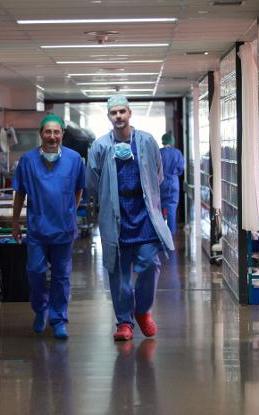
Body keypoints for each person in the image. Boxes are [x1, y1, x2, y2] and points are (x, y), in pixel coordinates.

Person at [86, 95, 174, 341]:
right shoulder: (101, 146)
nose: (118, 116)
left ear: (129, 113)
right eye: (113, 113)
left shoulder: (146, 141)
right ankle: (124, 322)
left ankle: (142, 311)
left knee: (150, 264)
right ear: (108, 117)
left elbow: (157, 174)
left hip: (144, 214)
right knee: (120, 274)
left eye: (122, 111)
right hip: (116, 217)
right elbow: (91, 182)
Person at [12, 114, 85, 339]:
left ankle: (59, 319)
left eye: (56, 132)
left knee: (62, 277)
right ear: (41, 134)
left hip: (63, 229)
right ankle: (41, 309)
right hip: (37, 229)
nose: (52, 136)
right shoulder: (28, 160)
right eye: (48, 132)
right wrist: (16, 223)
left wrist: (69, 212)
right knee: (35, 271)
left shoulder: (74, 160)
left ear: (62, 134)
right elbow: (20, 193)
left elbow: (78, 189)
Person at [159, 131, 185, 235]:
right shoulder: (177, 153)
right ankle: (171, 235)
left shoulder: (158, 152)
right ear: (172, 141)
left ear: (163, 141)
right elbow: (181, 169)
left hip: (161, 183)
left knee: (159, 208)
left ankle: (160, 234)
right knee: (171, 209)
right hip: (174, 183)